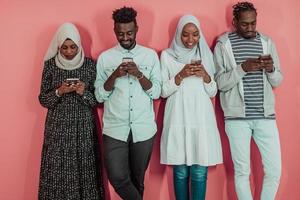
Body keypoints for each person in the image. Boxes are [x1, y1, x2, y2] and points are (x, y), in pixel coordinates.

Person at [214, 2, 283, 200]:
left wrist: (271, 69)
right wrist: (242, 68)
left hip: (266, 116)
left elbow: (278, 80)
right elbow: (220, 83)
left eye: (253, 23)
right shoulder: (223, 44)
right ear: (235, 22)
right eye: (245, 24)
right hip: (236, 118)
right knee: (242, 172)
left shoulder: (267, 42)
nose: (251, 28)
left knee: (274, 171)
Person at [94, 7, 161, 200]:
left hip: (144, 128)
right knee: (118, 177)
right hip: (115, 129)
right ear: (114, 31)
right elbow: (99, 96)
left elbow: (156, 92)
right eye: (120, 33)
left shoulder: (150, 56)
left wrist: (139, 74)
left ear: (137, 29)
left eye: (129, 33)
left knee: (137, 180)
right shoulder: (105, 58)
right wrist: (114, 75)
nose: (125, 37)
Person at [38, 22, 104, 200]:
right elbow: (43, 99)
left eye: (73, 47)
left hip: (83, 127)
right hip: (57, 129)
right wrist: (60, 91)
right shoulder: (51, 65)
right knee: (57, 169)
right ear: (58, 46)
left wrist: (83, 92)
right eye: (64, 47)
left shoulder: (90, 65)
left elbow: (98, 100)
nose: (69, 51)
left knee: (85, 167)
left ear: (79, 45)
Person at [160, 15, 223, 200]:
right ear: (178, 34)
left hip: (200, 119)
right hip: (178, 118)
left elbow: (212, 92)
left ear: (199, 35)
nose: (190, 40)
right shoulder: (167, 56)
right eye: (185, 35)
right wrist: (181, 75)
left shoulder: (206, 55)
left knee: (199, 173)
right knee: (180, 172)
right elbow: (162, 91)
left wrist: (205, 75)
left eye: (195, 35)